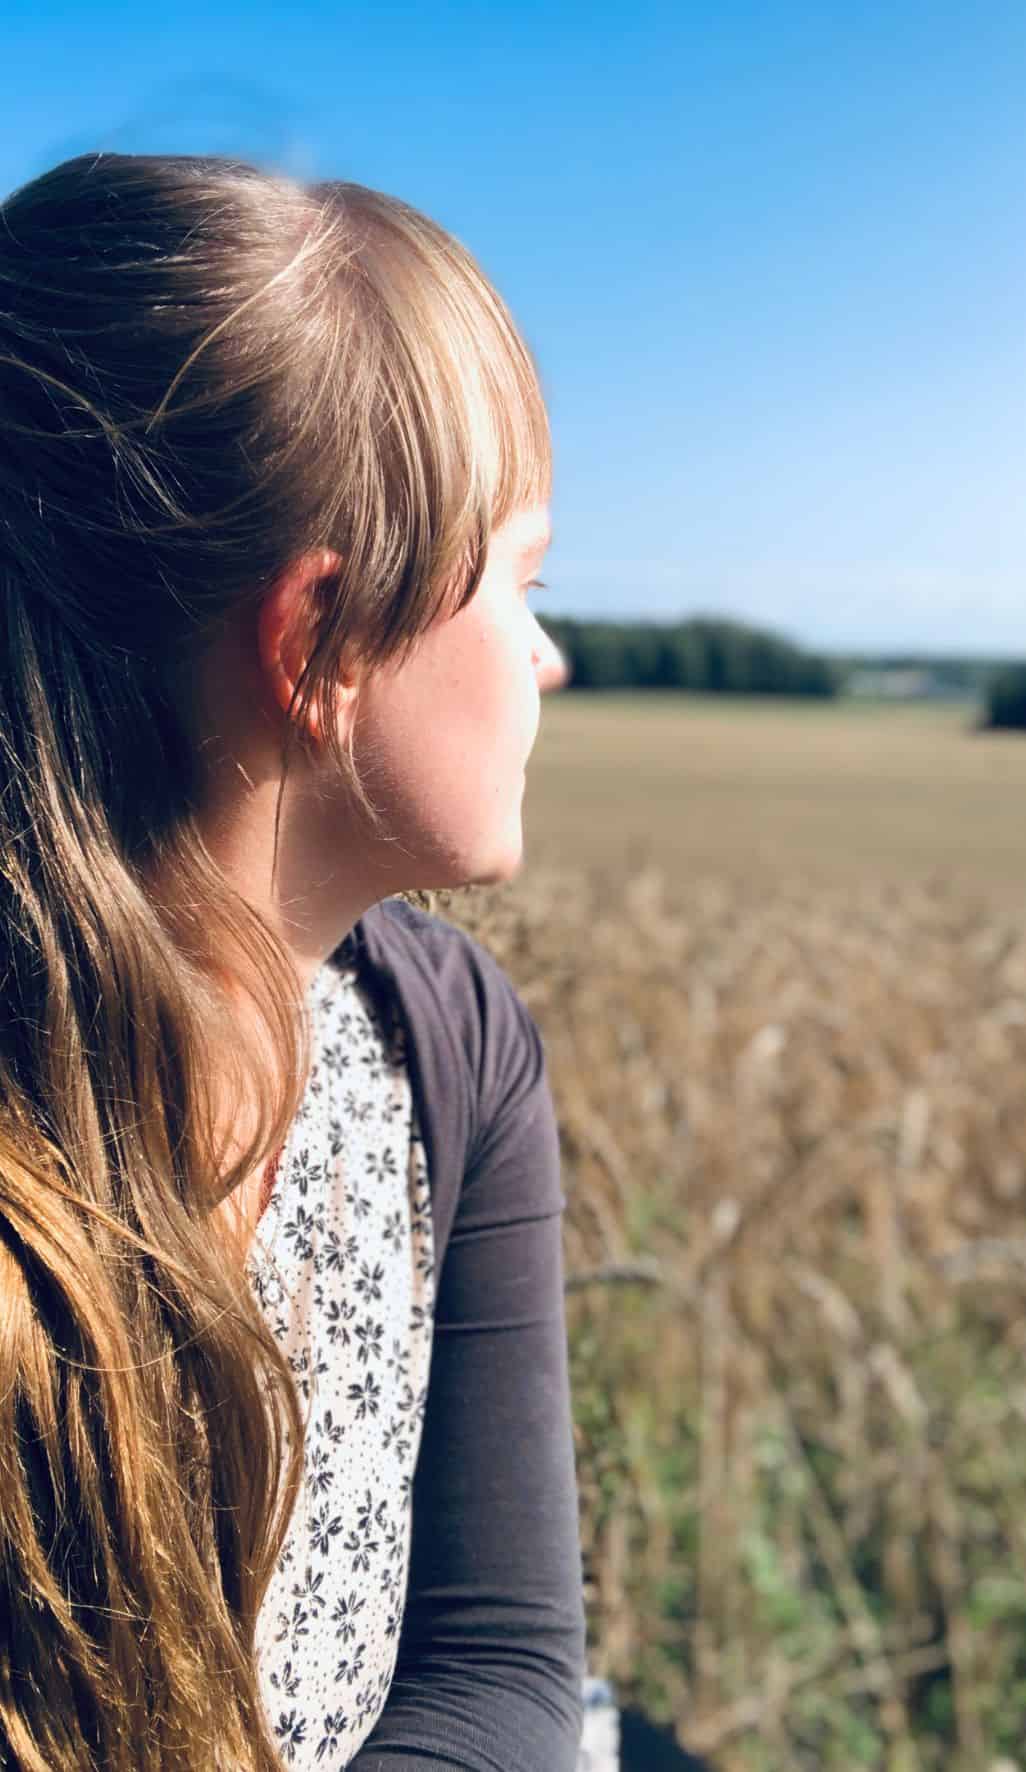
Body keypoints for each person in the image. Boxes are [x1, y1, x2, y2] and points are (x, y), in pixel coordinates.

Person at [0, 152, 584, 1771]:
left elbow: (504, 1667)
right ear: (320, 642)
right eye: (522, 583)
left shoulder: (449, 1049)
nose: (550, 658)